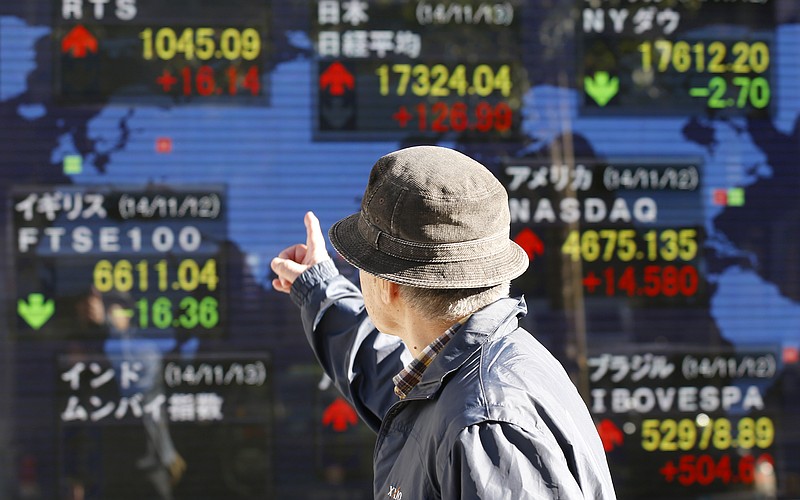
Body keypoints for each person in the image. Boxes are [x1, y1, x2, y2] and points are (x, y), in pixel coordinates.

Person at [271, 145, 616, 499]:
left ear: (389, 285)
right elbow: (390, 383)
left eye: (360, 262)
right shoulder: (477, 368)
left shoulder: (485, 427)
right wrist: (317, 285)